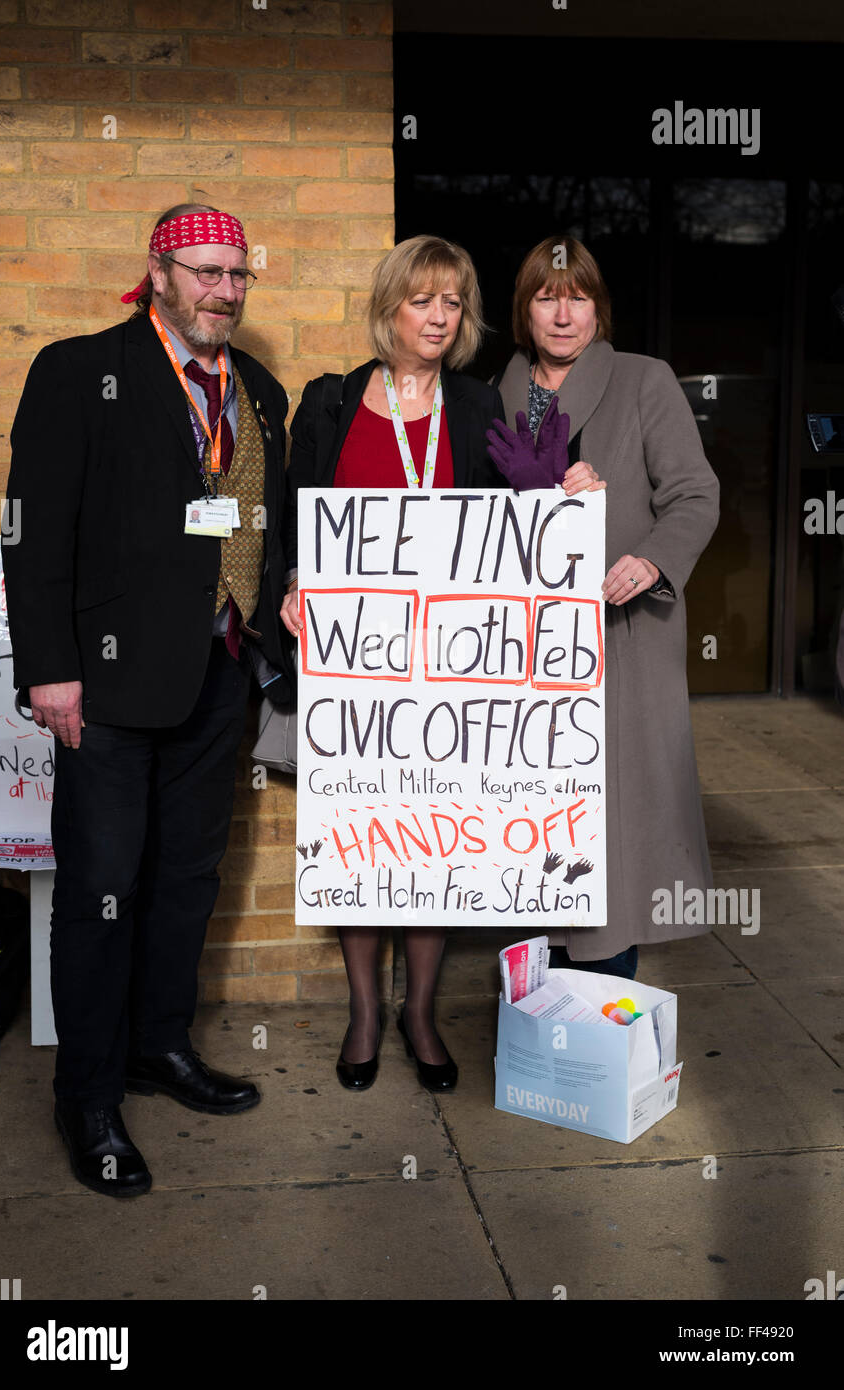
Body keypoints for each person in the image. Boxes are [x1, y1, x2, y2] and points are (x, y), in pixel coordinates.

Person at [4, 203, 294, 1198]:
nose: (225, 289)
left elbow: (271, 515)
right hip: (110, 685)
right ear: (159, 273)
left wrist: (281, 594)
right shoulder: (78, 371)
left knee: (185, 878)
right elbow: (33, 532)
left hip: (220, 672)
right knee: (99, 891)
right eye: (206, 271)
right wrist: (49, 669)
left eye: (238, 274)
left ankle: (157, 1047)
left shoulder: (255, 388)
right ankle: (87, 1098)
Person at [280, 235, 512, 1093]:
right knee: (360, 838)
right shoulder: (332, 402)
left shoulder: (482, 405)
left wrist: (571, 488)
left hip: (451, 667)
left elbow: (516, 526)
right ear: (389, 309)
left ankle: (418, 1009)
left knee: (432, 842)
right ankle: (364, 1011)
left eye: (452, 303)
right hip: (354, 666)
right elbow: (296, 515)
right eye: (423, 301)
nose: (439, 317)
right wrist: (297, 580)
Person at [488, 234, 719, 980]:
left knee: (612, 836)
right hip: (526, 649)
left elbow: (694, 494)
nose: (562, 314)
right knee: (535, 827)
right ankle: (539, 1018)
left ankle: (600, 1022)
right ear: (523, 311)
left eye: (577, 297)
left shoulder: (644, 381)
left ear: (598, 307)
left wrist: (650, 559)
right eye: (546, 297)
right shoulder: (493, 394)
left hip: (622, 639)